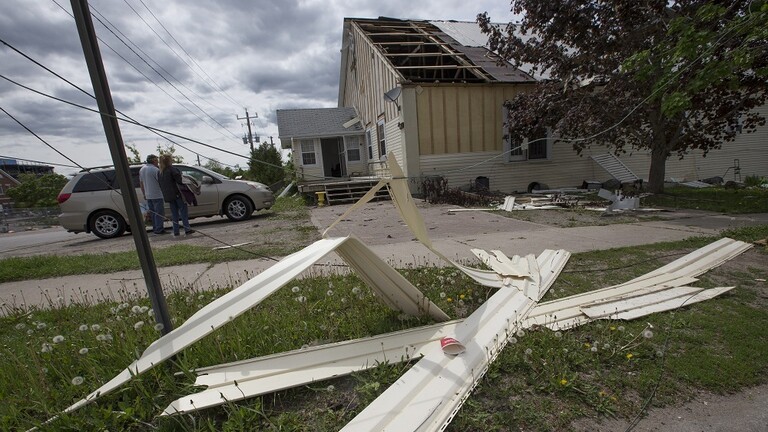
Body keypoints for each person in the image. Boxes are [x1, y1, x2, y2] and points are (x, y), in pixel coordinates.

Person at [158, 154, 195, 237]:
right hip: (177, 194)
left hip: (168, 196)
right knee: (183, 211)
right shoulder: (172, 170)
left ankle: (176, 231)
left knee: (174, 214)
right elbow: (180, 180)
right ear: (169, 160)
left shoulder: (160, 172)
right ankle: (187, 229)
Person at [138, 154, 166, 235]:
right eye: (156, 160)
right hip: (157, 194)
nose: (157, 162)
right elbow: (161, 182)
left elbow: (141, 183)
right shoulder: (155, 170)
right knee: (159, 213)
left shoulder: (142, 169)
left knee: (153, 213)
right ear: (154, 160)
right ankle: (159, 229)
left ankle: (155, 228)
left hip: (148, 195)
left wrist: (144, 194)